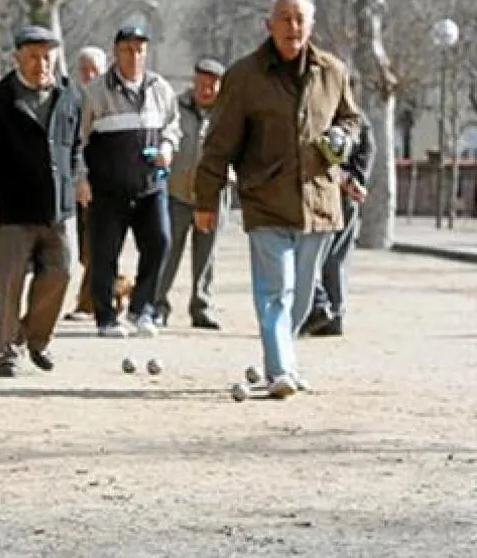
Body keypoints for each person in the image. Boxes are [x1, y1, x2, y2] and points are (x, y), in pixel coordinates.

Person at [194, 0, 361, 398]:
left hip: (318, 201)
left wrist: (343, 138)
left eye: (300, 18)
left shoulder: (332, 71)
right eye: (284, 18)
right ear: (269, 25)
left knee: (301, 295)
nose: (293, 26)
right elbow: (219, 143)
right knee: (276, 291)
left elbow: (351, 118)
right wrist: (205, 198)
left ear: (311, 24)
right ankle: (280, 370)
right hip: (265, 199)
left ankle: (286, 358)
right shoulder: (244, 76)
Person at [0, 25, 83, 377]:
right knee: (9, 284)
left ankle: (34, 339)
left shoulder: (69, 96)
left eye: (46, 56)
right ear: (17, 57)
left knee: (61, 272)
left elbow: (75, 145)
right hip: (10, 209)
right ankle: (4, 353)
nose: (40, 63)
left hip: (56, 209)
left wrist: (76, 178)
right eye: (32, 56)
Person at [78, 24, 181, 338]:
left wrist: (167, 147)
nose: (134, 56)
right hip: (108, 189)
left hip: (151, 185)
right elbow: (78, 140)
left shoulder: (160, 88)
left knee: (160, 241)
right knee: (104, 253)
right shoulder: (95, 91)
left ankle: (142, 309)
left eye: (139, 50)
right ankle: (106, 317)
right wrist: (81, 179)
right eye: (127, 50)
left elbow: (173, 127)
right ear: (115, 52)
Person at [154, 57, 229, 330]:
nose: (206, 90)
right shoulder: (175, 107)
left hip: (214, 195)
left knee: (207, 255)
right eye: (201, 84)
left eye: (212, 85)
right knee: (167, 251)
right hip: (176, 193)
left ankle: (201, 307)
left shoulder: (230, 113)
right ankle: (157, 305)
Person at [302, 116, 375, 337]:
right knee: (332, 257)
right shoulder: (356, 119)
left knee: (315, 254)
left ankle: (324, 310)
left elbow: (367, 147)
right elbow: (368, 149)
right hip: (335, 191)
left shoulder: (319, 112)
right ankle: (329, 312)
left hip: (327, 193)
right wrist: (357, 177)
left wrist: (355, 179)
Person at [63, 45, 107, 322]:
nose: (89, 75)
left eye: (94, 69)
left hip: (101, 180)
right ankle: (116, 286)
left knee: (95, 244)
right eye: (84, 70)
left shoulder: (107, 98)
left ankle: (88, 302)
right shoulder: (71, 100)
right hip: (75, 181)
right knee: (82, 248)